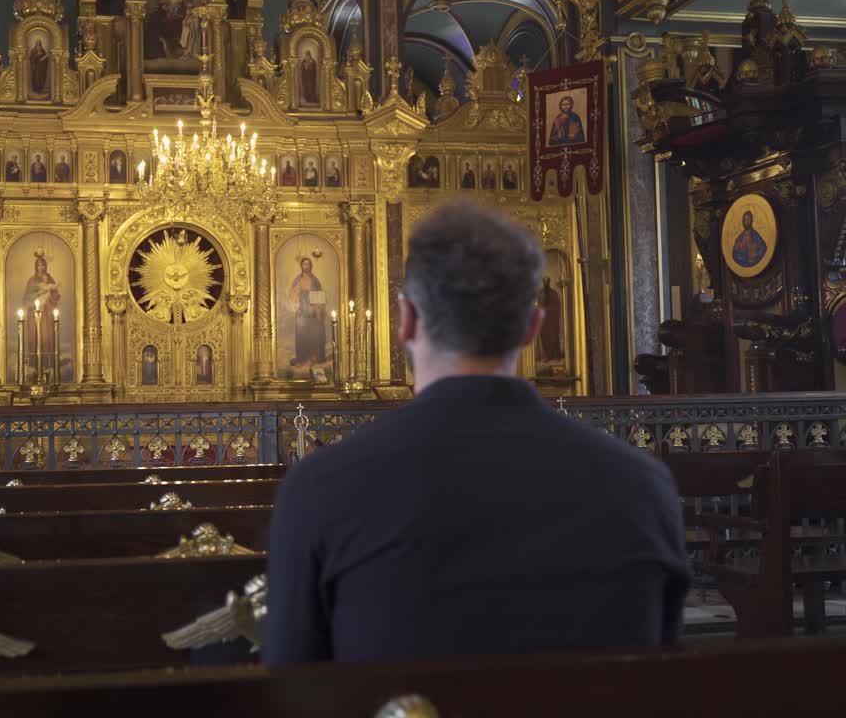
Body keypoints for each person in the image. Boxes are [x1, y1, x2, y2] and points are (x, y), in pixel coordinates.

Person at [264, 201, 690, 664]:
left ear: (405, 319)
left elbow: (293, 683)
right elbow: (662, 668)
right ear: (533, 327)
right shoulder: (643, 485)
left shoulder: (322, 487)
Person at [287, 257, 325, 368]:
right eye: (304, 264)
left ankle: (313, 358)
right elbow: (292, 294)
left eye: (308, 264)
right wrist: (297, 292)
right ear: (301, 266)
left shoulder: (315, 280)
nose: (306, 266)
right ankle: (302, 359)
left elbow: (319, 295)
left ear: (311, 266)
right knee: (301, 334)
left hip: (313, 311)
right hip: (301, 311)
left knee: (313, 334)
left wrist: (317, 309)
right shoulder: (297, 279)